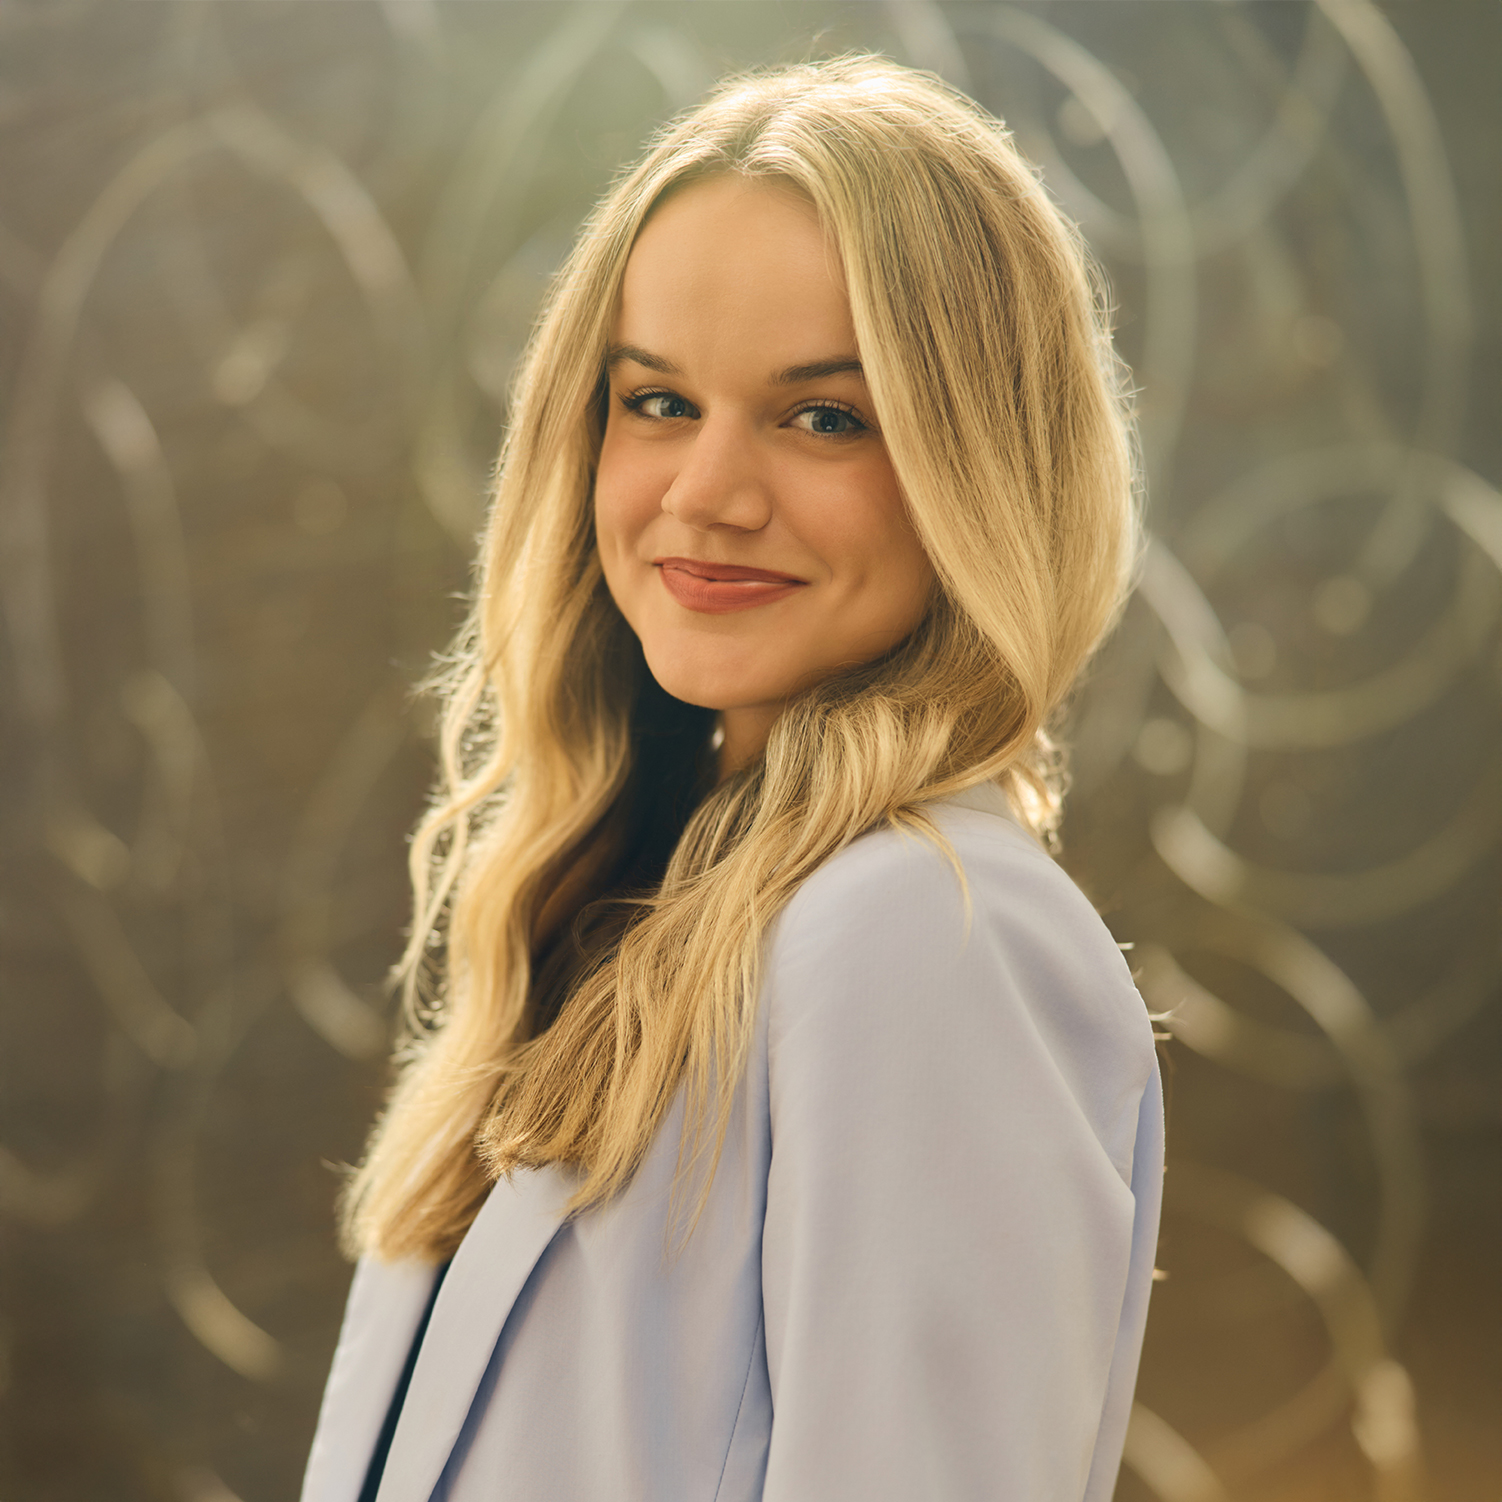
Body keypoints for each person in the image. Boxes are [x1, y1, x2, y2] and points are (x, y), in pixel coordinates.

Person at [301, 54, 1161, 1502]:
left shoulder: (918, 933)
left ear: (982, 464)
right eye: (654, 402)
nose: (705, 491)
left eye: (823, 416)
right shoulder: (613, 892)